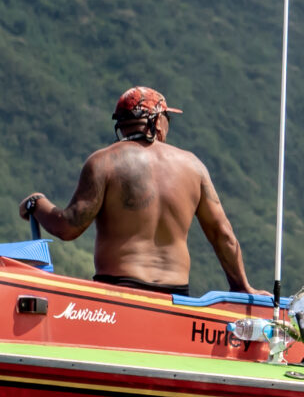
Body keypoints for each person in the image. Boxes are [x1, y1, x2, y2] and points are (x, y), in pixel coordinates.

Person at [19, 86, 252, 297]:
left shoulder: (104, 162)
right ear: (158, 120)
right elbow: (224, 235)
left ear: (120, 125)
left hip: (119, 294)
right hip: (176, 297)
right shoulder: (193, 166)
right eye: (168, 117)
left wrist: (37, 203)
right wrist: (241, 287)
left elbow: (68, 227)